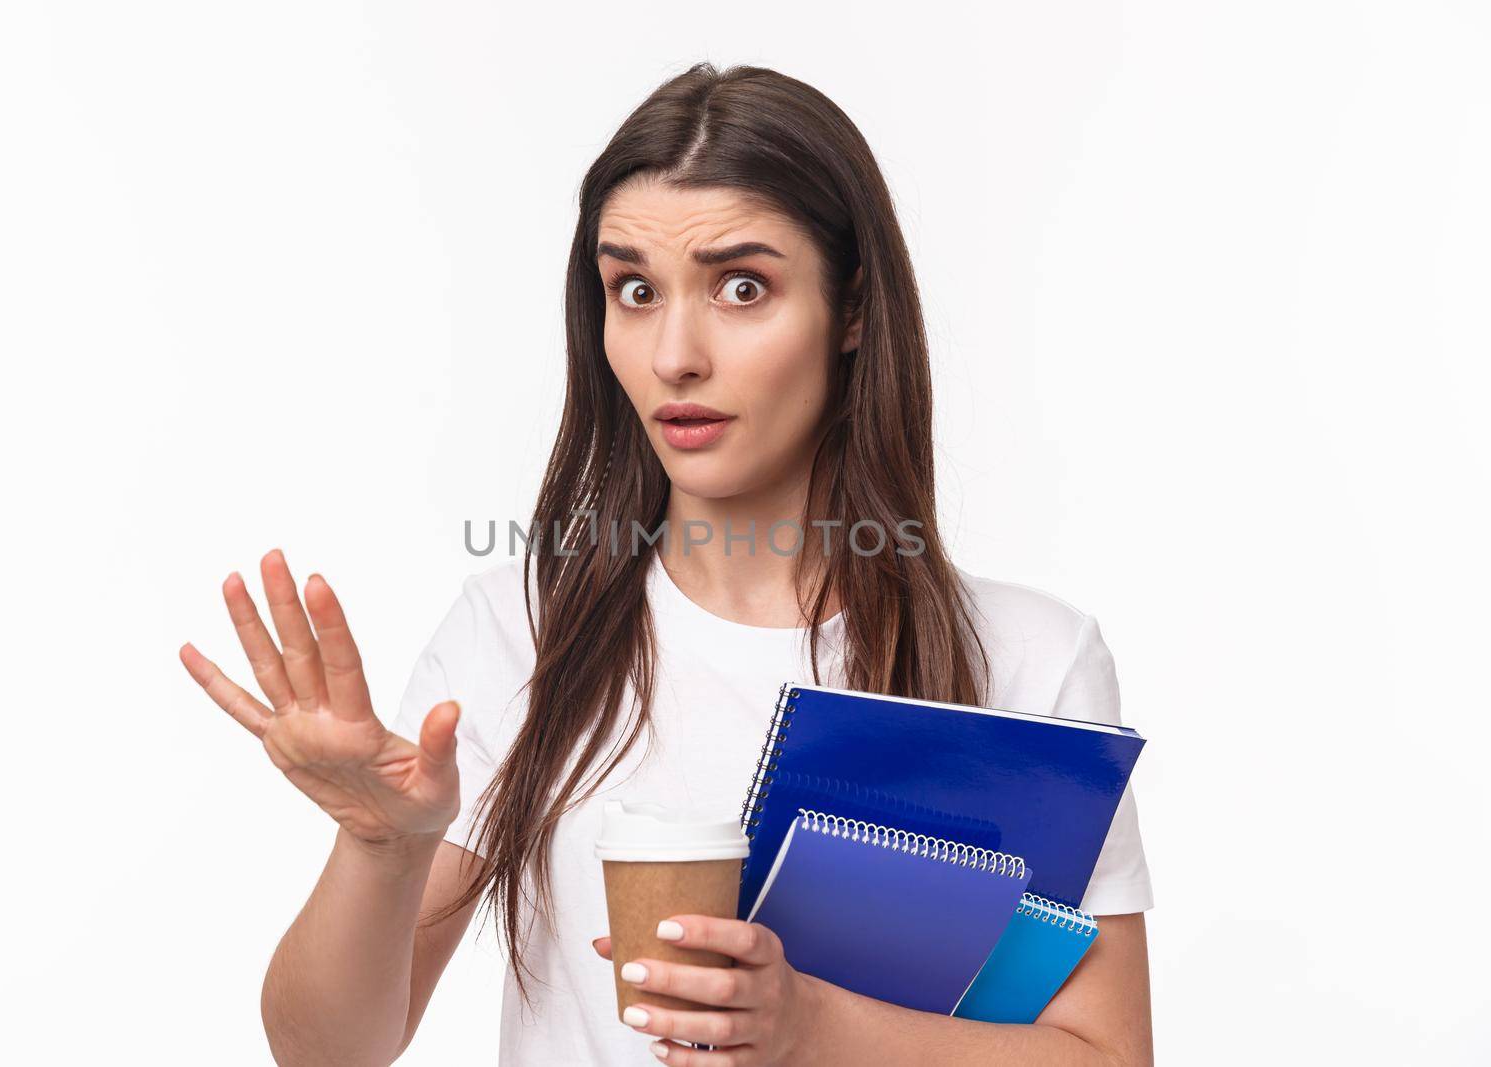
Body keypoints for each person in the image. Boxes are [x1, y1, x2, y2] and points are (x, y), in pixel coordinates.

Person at [179, 62, 1154, 1067]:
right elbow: (325, 1050)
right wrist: (381, 850)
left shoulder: (1028, 658)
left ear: (853, 312)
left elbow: (1106, 1055)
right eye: (634, 290)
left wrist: (809, 1025)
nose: (674, 353)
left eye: (742, 287)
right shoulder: (519, 631)